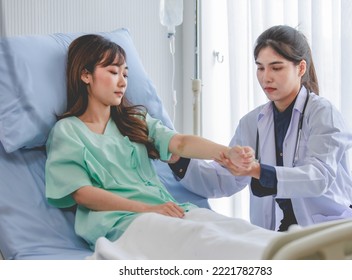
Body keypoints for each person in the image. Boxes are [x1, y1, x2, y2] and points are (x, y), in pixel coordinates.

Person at [45, 34, 281, 259]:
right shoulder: (68, 131)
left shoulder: (134, 121)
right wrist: (147, 209)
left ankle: (299, 256)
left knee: (234, 229)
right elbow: (83, 194)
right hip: (123, 222)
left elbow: (180, 142)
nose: (122, 82)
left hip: (169, 210)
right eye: (113, 71)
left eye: (125, 74)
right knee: (207, 240)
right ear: (86, 75)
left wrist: (226, 152)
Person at [169, 25, 352, 231]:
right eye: (260, 67)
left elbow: (318, 177)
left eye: (276, 67)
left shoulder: (322, 113)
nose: (266, 77)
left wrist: (256, 170)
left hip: (333, 229)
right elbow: (223, 179)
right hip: (280, 234)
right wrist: (178, 160)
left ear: (300, 68)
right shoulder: (252, 122)